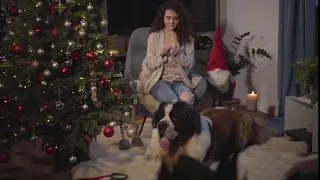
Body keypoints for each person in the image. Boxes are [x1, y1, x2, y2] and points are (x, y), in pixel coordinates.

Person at [137, 0, 202, 105]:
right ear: (162, 18)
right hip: (160, 82)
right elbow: (149, 65)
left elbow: (190, 63)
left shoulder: (187, 39)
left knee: (189, 101)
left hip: (180, 81)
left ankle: (182, 121)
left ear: (180, 20)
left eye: (175, 19)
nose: (171, 22)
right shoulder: (154, 37)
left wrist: (178, 55)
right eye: (168, 18)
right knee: (173, 104)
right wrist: (161, 56)